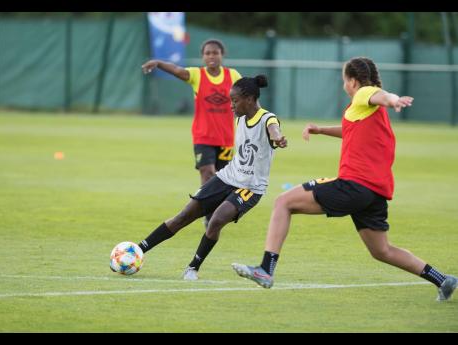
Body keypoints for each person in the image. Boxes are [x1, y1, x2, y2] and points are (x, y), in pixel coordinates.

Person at [232, 57, 457, 302]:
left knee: (283, 202)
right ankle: (442, 279)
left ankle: (266, 269)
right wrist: (320, 130)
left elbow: (379, 94)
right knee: (382, 250)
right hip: (374, 192)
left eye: (343, 81)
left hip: (354, 184)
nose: (343, 85)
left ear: (352, 81)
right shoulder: (364, 111)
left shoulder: (363, 95)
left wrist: (393, 99)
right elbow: (350, 129)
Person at [136, 75, 287, 280]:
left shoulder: (267, 118)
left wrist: (278, 138)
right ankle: (136, 251)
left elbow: (273, 129)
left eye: (235, 100)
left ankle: (192, 268)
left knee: (216, 220)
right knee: (184, 216)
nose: (231, 105)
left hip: (250, 187)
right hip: (226, 177)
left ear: (250, 99)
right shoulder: (240, 118)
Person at [141, 39, 241, 217]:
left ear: (222, 55)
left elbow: (246, 95)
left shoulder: (233, 76)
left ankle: (215, 210)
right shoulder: (197, 75)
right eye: (207, 53)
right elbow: (177, 70)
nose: (211, 56)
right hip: (203, 136)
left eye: (215, 52)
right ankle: (208, 215)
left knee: (223, 178)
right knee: (207, 172)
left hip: (226, 137)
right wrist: (158, 63)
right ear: (202, 56)